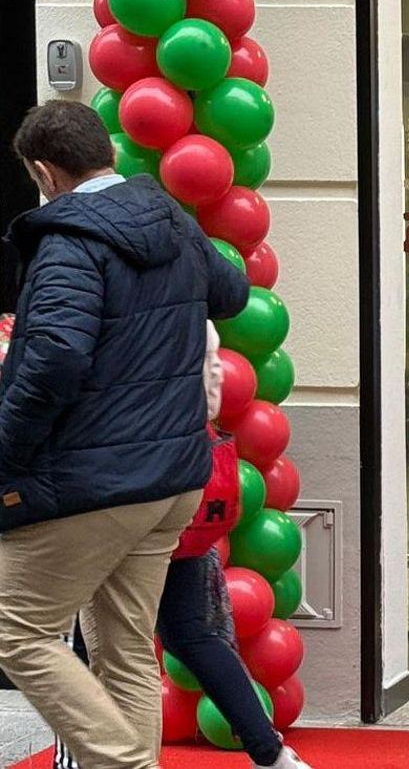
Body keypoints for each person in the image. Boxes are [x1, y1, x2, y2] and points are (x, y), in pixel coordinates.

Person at [0, 100, 250, 769]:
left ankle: (124, 762)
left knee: (13, 628)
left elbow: (51, 361)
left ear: (44, 171)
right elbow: (231, 293)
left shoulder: (68, 241)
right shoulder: (170, 216)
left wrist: (5, 456)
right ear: (104, 152)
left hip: (96, 482)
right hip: (171, 477)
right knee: (126, 650)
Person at [53, 323, 312, 769]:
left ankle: (84, 760)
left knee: (101, 646)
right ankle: (271, 755)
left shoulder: (97, 309)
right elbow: (212, 398)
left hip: (113, 489)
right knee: (192, 634)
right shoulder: (196, 314)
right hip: (186, 488)